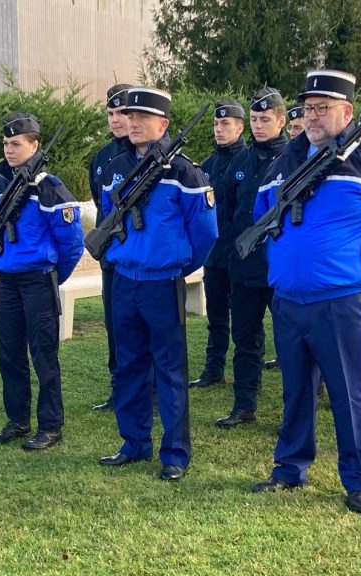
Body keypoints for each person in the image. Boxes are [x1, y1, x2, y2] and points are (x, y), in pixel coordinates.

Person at [252, 69, 361, 513]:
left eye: (323, 108)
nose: (313, 116)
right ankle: (290, 467)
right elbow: (262, 221)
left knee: (349, 394)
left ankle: (359, 478)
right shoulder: (283, 163)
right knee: (296, 391)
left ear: (347, 112)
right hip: (290, 299)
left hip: (344, 301)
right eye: (308, 108)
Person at [97, 87, 218, 481]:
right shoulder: (116, 167)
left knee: (169, 371)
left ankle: (175, 454)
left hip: (162, 283)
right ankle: (133, 443)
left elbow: (205, 233)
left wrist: (179, 264)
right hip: (123, 281)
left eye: (141, 117)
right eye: (129, 116)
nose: (132, 123)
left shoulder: (185, 171)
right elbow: (106, 221)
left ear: (163, 124)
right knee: (129, 367)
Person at [0, 112, 84, 450]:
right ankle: (17, 420)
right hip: (7, 280)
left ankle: (51, 425)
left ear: (35, 144)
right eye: (6, 144)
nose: (9, 150)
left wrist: (54, 277)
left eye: (16, 144)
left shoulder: (49, 187)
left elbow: (71, 243)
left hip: (39, 279)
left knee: (43, 355)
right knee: (9, 353)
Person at [215, 87, 289, 429]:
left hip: (280, 267)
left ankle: (296, 406)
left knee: (291, 340)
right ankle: (244, 405)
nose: (259, 126)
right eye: (255, 119)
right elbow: (228, 212)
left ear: (281, 120)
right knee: (244, 338)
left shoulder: (293, 158)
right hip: (244, 266)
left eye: (265, 119)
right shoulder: (240, 162)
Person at [192, 99, 248, 388]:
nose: (219, 129)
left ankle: (247, 376)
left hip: (240, 255)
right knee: (215, 318)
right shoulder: (207, 165)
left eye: (226, 123)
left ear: (240, 127)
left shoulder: (248, 161)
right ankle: (213, 369)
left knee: (243, 322)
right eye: (216, 123)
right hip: (214, 256)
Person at [87, 83, 132, 412]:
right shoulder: (102, 158)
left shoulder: (149, 154)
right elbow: (100, 204)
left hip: (140, 258)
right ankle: (119, 388)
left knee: (145, 329)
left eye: (122, 113)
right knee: (115, 326)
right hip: (111, 258)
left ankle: (153, 392)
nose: (116, 120)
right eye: (111, 113)